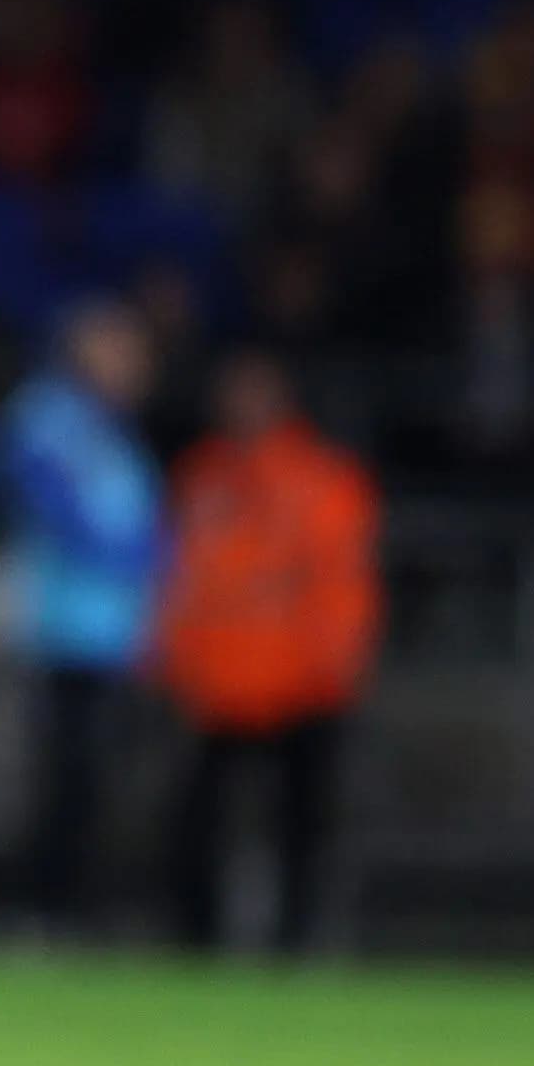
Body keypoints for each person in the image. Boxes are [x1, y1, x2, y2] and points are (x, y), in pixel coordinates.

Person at [152, 351, 382, 951]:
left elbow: (341, 581)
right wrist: (176, 663)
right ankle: (195, 943)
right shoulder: (200, 477)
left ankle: (298, 943)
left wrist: (336, 664)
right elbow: (179, 581)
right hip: (217, 686)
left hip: (299, 684)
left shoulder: (321, 479)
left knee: (304, 825)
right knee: (196, 825)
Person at [0, 299, 163, 933]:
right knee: (65, 779)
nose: (132, 365)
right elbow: (50, 501)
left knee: (104, 785)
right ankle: (39, 909)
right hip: (64, 631)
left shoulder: (117, 433)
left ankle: (83, 911)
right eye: (116, 348)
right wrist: (132, 557)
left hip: (122, 637)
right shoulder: (48, 417)